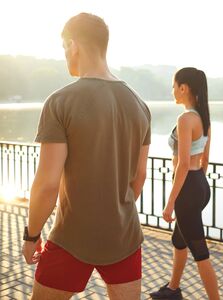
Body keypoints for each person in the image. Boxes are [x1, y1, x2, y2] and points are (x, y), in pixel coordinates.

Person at [21, 13, 151, 299]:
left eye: (64, 47)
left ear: (73, 45)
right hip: (125, 235)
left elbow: (47, 185)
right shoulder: (140, 105)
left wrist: (32, 235)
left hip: (71, 238)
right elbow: (139, 177)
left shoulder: (60, 102)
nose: (65, 54)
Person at [150, 67, 219, 300]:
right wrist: (197, 185)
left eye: (174, 86)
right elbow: (205, 159)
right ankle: (173, 289)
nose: (172, 91)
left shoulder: (186, 118)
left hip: (188, 187)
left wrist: (171, 203)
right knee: (179, 240)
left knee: (200, 252)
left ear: (184, 87)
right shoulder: (204, 117)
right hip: (200, 183)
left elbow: (181, 164)